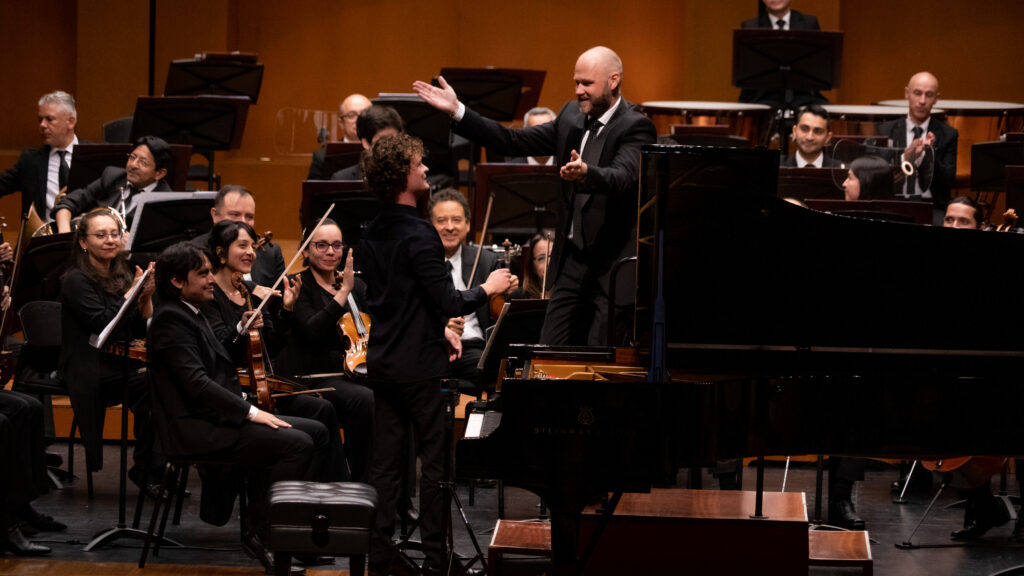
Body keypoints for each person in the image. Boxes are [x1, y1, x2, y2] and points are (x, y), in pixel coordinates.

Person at [414, 45, 656, 346]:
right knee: (548, 349)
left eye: (587, 84)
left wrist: (587, 173)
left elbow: (624, 177)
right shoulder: (571, 116)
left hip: (611, 265)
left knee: (599, 355)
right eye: (576, 82)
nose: (579, 90)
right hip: (573, 261)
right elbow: (511, 141)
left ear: (613, 80)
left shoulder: (636, 126)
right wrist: (458, 111)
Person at [358, 133, 515, 576]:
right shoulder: (419, 233)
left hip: (385, 362)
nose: (426, 169)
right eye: (418, 164)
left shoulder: (372, 231)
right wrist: (488, 288)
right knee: (436, 466)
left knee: (387, 465)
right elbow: (448, 301)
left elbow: (394, 299)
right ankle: (436, 557)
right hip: (421, 369)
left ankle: (381, 555)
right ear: (401, 176)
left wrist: (434, 329)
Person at [149, 241, 330, 574]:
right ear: (177, 281)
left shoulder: (192, 313)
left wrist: (244, 330)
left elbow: (221, 361)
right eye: (202, 274)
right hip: (195, 429)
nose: (210, 281)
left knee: (317, 432)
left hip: (216, 420)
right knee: (297, 444)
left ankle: (289, 531)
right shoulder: (170, 321)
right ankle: (265, 535)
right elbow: (198, 385)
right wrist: (252, 412)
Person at [201, 219, 349, 483]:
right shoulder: (209, 296)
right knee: (311, 430)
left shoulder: (249, 292)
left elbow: (272, 346)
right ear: (221, 253)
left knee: (322, 409)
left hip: (262, 388)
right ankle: (295, 499)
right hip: (234, 393)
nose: (251, 252)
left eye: (252, 246)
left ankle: (335, 493)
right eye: (242, 245)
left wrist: (286, 311)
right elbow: (219, 352)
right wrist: (240, 327)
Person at [58, 207, 161, 491]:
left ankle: (148, 467)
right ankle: (149, 469)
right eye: (101, 235)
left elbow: (139, 328)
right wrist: (133, 293)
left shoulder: (122, 272)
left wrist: (146, 296)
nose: (110, 240)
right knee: (152, 384)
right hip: (89, 364)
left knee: (162, 383)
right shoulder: (75, 280)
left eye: (114, 234)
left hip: (120, 360)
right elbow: (104, 324)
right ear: (83, 242)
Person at [280, 218, 374, 482]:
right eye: (321, 245)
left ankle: (398, 495)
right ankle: (360, 482)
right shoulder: (297, 284)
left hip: (357, 372)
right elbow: (311, 330)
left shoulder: (359, 286)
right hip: (318, 376)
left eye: (336, 245)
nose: (331, 252)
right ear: (306, 251)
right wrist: (343, 292)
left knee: (400, 393)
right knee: (365, 400)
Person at [429, 188, 503, 396]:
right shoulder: (422, 263)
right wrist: (441, 325)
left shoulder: (485, 260)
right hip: (434, 346)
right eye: (442, 220)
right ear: (430, 226)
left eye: (456, 220)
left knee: (496, 376)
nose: (450, 227)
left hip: (472, 348)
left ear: (468, 225)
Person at [53, 135, 173, 233]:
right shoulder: (113, 177)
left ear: (160, 173)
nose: (133, 165)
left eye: (143, 162)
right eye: (132, 157)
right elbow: (70, 202)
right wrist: (64, 232)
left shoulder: (165, 202)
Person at [875, 72, 959, 212]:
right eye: (917, 93)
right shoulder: (885, 130)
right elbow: (877, 176)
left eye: (929, 95)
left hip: (933, 206)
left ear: (936, 99)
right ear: (907, 94)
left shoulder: (948, 134)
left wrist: (929, 156)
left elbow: (948, 181)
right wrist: (905, 159)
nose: (922, 100)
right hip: (894, 203)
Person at [0, 91, 82, 221]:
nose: (42, 125)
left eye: (49, 119)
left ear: (70, 122)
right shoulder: (30, 161)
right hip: (42, 238)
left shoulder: (93, 154)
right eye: (40, 120)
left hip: (84, 237)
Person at [194, 184, 285, 290]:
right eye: (235, 214)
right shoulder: (196, 252)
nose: (243, 222)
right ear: (215, 215)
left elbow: (280, 301)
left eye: (249, 217)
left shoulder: (271, 253)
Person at [739, 1, 826, 110]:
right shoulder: (751, 26)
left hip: (803, 94)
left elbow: (817, 66)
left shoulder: (809, 23)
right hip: (765, 96)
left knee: (824, 114)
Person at [330, 105, 405, 181]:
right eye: (383, 140)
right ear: (365, 143)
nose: (389, 145)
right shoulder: (342, 179)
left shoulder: (410, 175)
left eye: (394, 139)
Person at [308, 93, 372, 179]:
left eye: (364, 114)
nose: (359, 120)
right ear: (341, 123)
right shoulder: (322, 156)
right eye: (351, 115)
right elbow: (313, 192)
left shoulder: (382, 152)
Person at [510, 233, 554, 300]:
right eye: (541, 258)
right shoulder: (519, 296)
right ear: (532, 267)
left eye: (553, 256)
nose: (549, 263)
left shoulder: (572, 294)